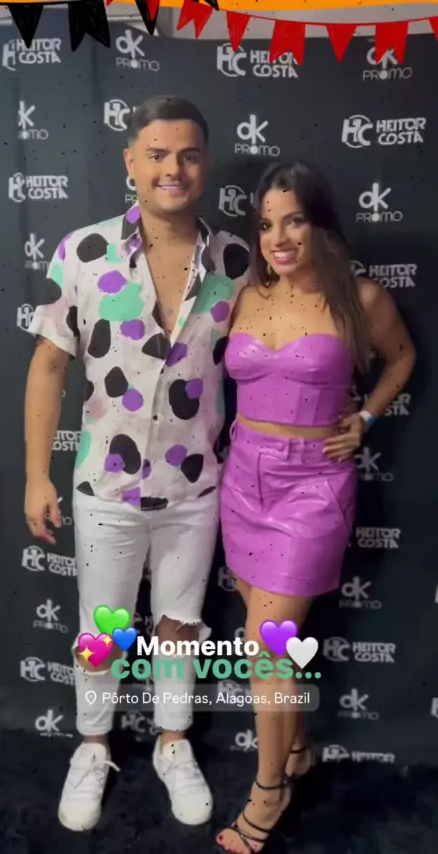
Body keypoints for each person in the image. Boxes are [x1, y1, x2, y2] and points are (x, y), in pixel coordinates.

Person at [23, 94, 250, 832]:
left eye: (187, 154)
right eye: (156, 154)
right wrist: (36, 475)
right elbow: (49, 366)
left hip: (196, 486)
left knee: (180, 624)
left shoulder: (238, 261)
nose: (172, 168)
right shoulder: (82, 252)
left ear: (204, 164)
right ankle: (92, 747)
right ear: (131, 161)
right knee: (104, 630)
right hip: (105, 483)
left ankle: (172, 741)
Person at [216, 161, 416, 854]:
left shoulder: (360, 298)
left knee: (264, 649)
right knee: (274, 649)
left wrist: (366, 418)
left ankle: (268, 791)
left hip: (311, 487)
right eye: (266, 224)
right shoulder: (245, 295)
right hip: (243, 481)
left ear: (321, 224)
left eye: (293, 220)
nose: (277, 238)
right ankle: (296, 750)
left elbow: (401, 359)